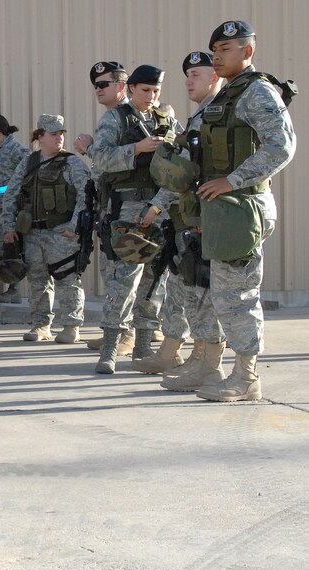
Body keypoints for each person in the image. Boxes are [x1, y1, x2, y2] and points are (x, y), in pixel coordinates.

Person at [192, 21, 296, 401]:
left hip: (244, 205)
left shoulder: (256, 92)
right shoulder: (230, 94)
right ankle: (223, 369)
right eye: (215, 49)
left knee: (240, 295)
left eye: (226, 48)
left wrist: (232, 181)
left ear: (247, 52)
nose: (217, 55)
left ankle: (247, 377)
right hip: (225, 208)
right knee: (224, 293)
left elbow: (281, 147)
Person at [136, 52, 227, 377]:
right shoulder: (199, 117)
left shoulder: (214, 118)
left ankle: (204, 361)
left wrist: (156, 207)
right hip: (186, 218)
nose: (189, 80)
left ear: (215, 76)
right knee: (182, 288)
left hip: (204, 219)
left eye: (197, 74)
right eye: (187, 74)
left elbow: (184, 175)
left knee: (202, 293)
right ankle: (173, 353)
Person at [91, 64, 183, 374]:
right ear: (131, 88)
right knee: (123, 280)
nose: (151, 97)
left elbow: (183, 159)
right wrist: (137, 148)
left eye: (156, 91)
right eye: (146, 90)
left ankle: (144, 344)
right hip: (127, 209)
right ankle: (110, 348)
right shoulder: (115, 118)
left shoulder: (166, 120)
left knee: (154, 279)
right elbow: (100, 156)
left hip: (160, 208)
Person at [2, 114, 91, 343]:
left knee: (68, 280)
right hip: (32, 233)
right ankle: (41, 325)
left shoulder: (71, 163)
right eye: (53, 134)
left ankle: (71, 326)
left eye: (61, 134)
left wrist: (74, 227)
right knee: (37, 281)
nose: (59, 138)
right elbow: (10, 195)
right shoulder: (28, 163)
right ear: (40, 136)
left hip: (61, 233)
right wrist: (9, 227)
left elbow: (87, 196)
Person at [75, 61, 137, 356]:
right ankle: (118, 330)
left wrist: (88, 149)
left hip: (128, 207)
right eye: (95, 85)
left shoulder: (126, 117)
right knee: (115, 274)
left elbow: (107, 163)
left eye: (104, 84)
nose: (98, 90)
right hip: (112, 206)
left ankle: (126, 335)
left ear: (121, 86)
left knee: (124, 276)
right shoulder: (117, 117)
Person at [0, 114, 32, 303]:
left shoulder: (16, 149)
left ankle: (14, 289)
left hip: (7, 208)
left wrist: (15, 187)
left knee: (11, 248)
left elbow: (30, 169)